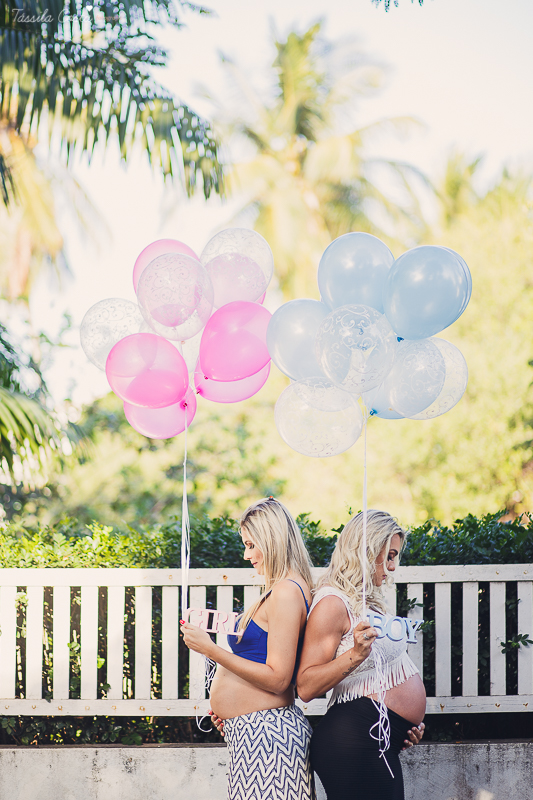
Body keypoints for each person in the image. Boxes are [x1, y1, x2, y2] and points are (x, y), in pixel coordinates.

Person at [181, 497, 316, 800]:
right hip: (253, 732)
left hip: (268, 736)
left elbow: (279, 678)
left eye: (252, 545)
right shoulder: (281, 589)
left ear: (273, 541)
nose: (247, 555)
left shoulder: (285, 593)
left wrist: (211, 650)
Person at [297, 509, 426, 800]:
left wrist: (404, 725)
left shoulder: (366, 600)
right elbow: (305, 686)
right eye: (389, 555)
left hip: (378, 739)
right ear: (367, 551)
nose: (393, 566)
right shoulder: (332, 602)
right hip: (353, 741)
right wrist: (355, 654)